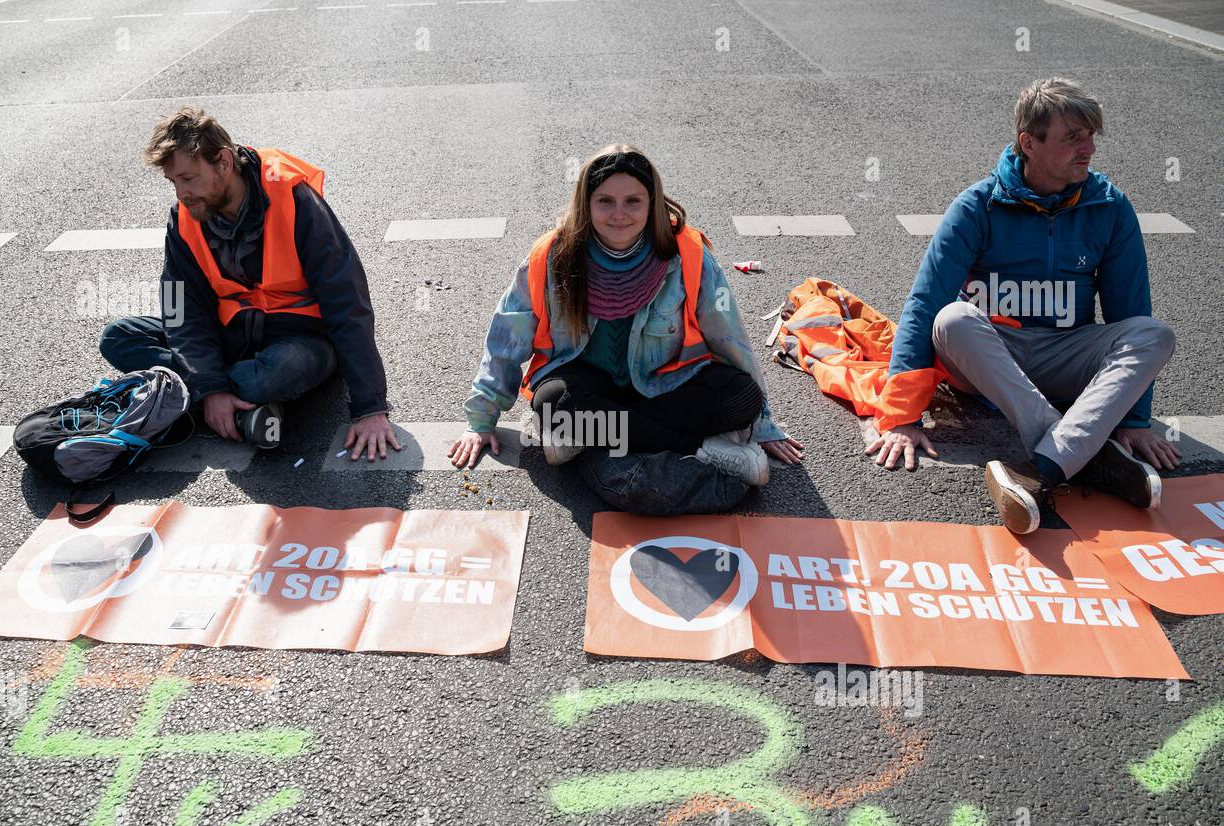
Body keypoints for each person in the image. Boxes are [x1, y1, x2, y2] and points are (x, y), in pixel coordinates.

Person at [868, 78, 1178, 533]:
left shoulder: (1110, 208)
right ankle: (1082, 452)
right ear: (1028, 143)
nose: (1088, 148)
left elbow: (1129, 310)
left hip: (1064, 355)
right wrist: (902, 416)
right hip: (990, 359)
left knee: (1154, 334)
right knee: (952, 317)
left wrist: (1133, 419)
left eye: (1091, 135)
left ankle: (1047, 465)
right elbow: (925, 302)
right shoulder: (977, 205)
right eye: (1072, 137)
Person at [449, 145, 802, 515]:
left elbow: (731, 340)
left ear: (653, 203)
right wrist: (482, 418)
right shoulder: (551, 256)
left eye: (633, 201)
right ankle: (702, 449)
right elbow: (508, 335)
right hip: (588, 388)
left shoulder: (688, 254)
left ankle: (590, 439)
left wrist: (762, 423)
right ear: (586, 204)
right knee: (553, 405)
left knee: (741, 397)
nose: (619, 214)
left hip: (666, 386)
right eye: (605, 201)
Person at [99, 107, 399, 460]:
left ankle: (185, 395)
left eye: (189, 178)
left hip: (300, 341)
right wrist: (212, 388)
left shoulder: (294, 199)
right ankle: (232, 404)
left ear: (224, 162)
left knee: (275, 373)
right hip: (231, 335)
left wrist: (370, 407)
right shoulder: (184, 217)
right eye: (174, 182)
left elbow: (347, 300)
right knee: (118, 337)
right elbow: (181, 308)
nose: (181, 193)